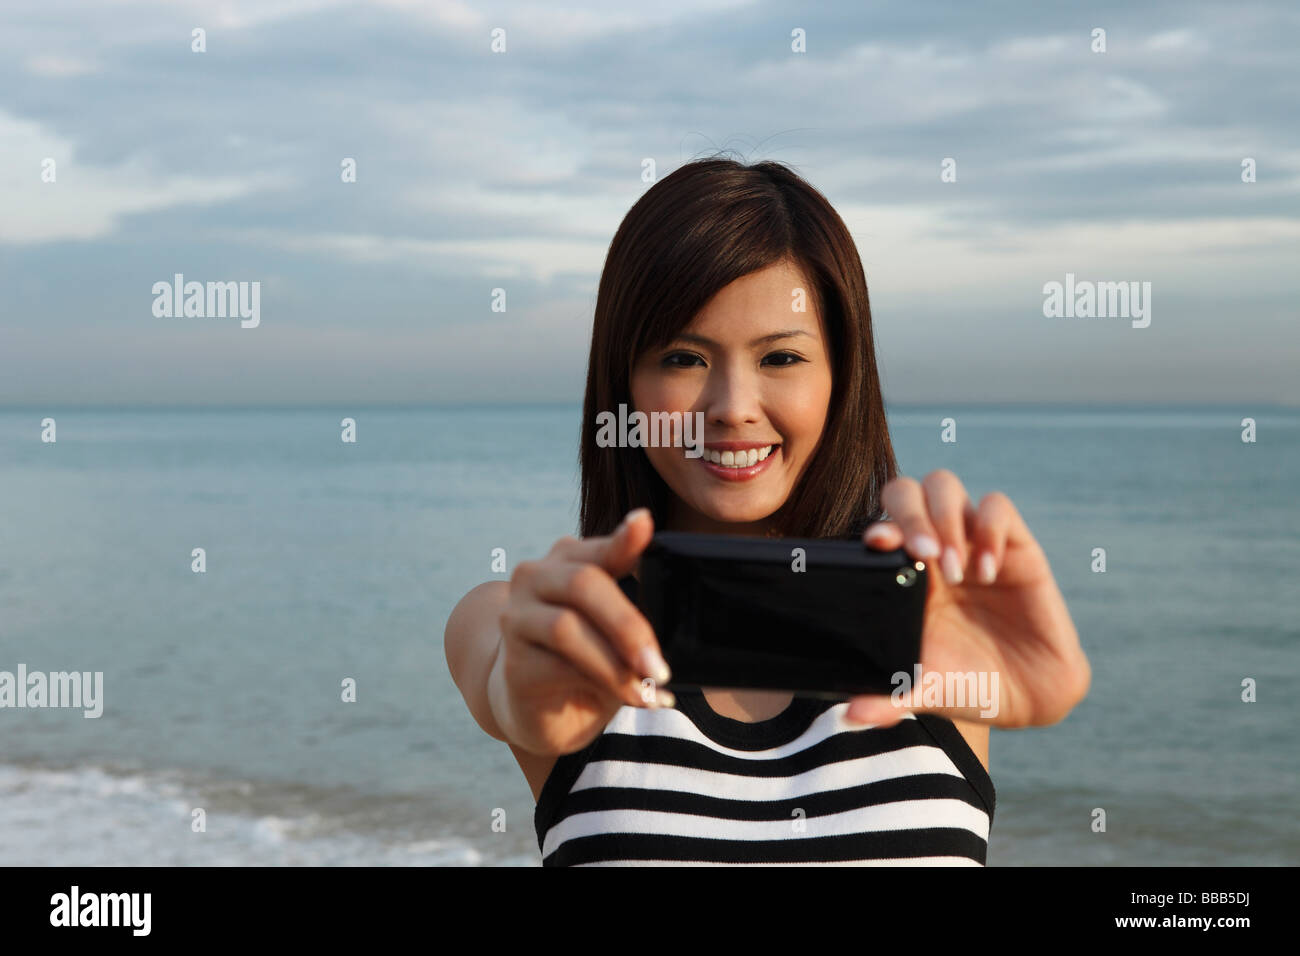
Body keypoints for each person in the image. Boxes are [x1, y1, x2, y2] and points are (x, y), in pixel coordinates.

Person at [444, 157, 1091, 866]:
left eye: (781, 359)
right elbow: (509, 686)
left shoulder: (930, 627)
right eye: (684, 358)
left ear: (842, 378)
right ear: (622, 382)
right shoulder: (544, 634)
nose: (732, 408)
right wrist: (527, 696)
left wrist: (1018, 671)